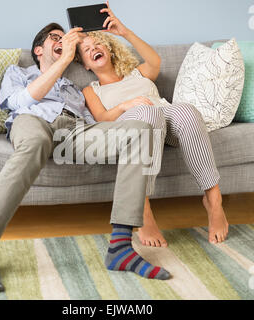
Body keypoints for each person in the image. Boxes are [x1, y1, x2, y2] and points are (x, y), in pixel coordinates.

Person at [0, 23, 171, 294]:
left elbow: (93, 120)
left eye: (65, 38)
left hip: (73, 132)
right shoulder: (19, 73)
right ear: (38, 50)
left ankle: (120, 248)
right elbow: (20, 101)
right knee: (35, 142)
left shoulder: (72, 86)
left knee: (140, 131)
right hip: (34, 121)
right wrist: (63, 60)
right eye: (55, 38)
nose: (62, 41)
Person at [77, 1, 229, 248]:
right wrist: (127, 106)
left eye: (98, 43)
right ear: (85, 64)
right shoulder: (91, 90)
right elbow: (102, 119)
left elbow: (155, 60)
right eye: (86, 49)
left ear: (109, 49)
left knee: (187, 111)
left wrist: (123, 31)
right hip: (132, 126)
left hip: (165, 119)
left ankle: (214, 200)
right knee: (147, 113)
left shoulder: (138, 72)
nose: (94, 48)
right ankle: (143, 208)